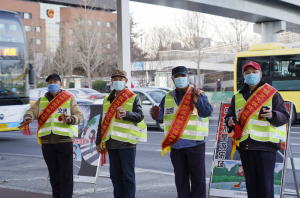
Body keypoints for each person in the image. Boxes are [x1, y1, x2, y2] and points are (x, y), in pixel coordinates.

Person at [224, 61, 289, 198]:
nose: (251, 75)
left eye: (254, 72)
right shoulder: (238, 96)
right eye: (248, 73)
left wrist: (273, 115)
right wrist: (229, 121)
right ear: (244, 76)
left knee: (265, 189)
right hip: (246, 148)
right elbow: (229, 116)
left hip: (266, 147)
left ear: (260, 74)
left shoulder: (272, 93)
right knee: (251, 188)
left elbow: (284, 117)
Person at [150, 66, 213, 198]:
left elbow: (207, 112)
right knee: (181, 182)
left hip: (195, 144)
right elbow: (161, 118)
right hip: (176, 145)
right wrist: (155, 114)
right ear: (172, 79)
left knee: (198, 180)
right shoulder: (167, 97)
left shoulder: (197, 93)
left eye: (182, 76)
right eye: (177, 77)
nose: (180, 79)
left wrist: (198, 100)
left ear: (188, 77)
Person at [22, 73, 83, 198]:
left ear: (61, 84)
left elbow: (79, 116)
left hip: (64, 141)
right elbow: (31, 111)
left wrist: (71, 119)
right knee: (54, 176)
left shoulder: (69, 98)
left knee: (65, 175)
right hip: (47, 143)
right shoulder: (42, 100)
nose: (52, 84)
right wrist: (28, 117)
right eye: (49, 82)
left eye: (54, 82)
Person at [96, 70, 147, 198]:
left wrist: (127, 114)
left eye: (121, 79)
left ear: (126, 81)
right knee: (115, 177)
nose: (118, 81)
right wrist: (98, 141)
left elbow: (140, 116)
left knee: (128, 177)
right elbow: (101, 122)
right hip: (111, 144)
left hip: (127, 144)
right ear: (112, 81)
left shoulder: (133, 97)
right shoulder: (107, 100)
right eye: (115, 79)